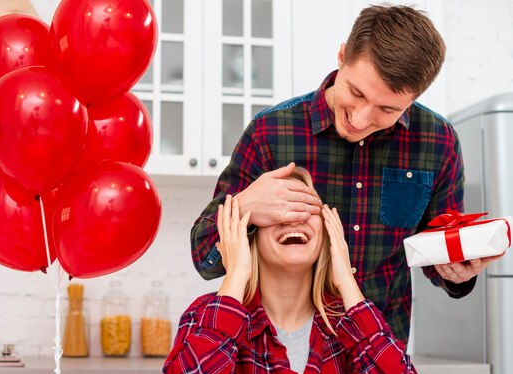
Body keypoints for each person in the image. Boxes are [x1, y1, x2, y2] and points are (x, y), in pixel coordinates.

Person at [190, 4, 500, 344]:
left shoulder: (437, 141)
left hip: (377, 358)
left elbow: (435, 252)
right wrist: (246, 206)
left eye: (387, 109)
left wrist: (457, 271)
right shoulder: (271, 131)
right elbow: (205, 259)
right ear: (342, 56)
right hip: (277, 364)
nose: (362, 119)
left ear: (413, 100)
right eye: (357, 93)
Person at [164, 167, 421, 374]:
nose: (294, 218)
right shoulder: (207, 314)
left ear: (326, 231)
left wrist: (346, 281)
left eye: (307, 207)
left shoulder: (351, 325)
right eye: (279, 209)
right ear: (249, 235)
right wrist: (236, 274)